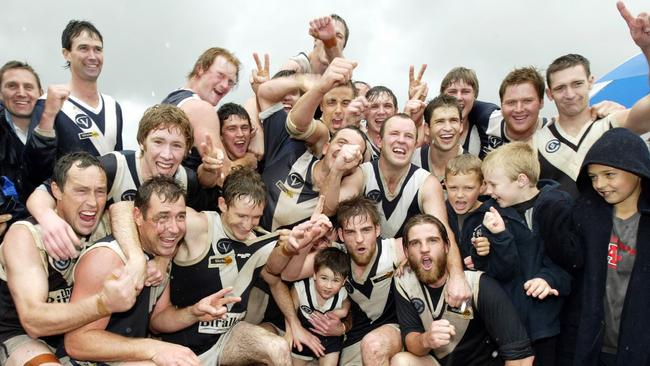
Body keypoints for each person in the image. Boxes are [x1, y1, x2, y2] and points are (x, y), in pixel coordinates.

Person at [133, 167, 331, 365]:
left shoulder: (259, 241)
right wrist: (145, 258)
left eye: (255, 217)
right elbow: (125, 209)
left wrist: (297, 245)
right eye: (241, 216)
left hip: (227, 339)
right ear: (223, 204)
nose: (247, 225)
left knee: (278, 348)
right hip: (179, 341)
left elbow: (283, 274)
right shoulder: (199, 225)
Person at [63, 176, 226, 365]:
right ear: (138, 217)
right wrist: (154, 349)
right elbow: (77, 342)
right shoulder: (107, 258)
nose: (173, 229)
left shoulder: (161, 254)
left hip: (125, 356)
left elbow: (157, 321)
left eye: (180, 217)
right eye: (162, 217)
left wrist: (193, 312)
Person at [0, 152, 141, 365]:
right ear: (56, 190)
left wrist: (145, 260)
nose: (92, 202)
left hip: (79, 333)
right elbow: (33, 320)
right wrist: (103, 304)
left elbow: (132, 213)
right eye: (81, 191)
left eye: (100, 192)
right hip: (23, 336)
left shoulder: (103, 224)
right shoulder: (24, 236)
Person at [543, 128, 650, 365]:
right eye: (593, 177)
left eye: (609, 174)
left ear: (638, 171)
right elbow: (568, 266)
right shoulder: (585, 215)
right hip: (588, 347)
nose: (600, 184)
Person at [461, 142, 572, 365]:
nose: (488, 191)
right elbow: (499, 270)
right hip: (505, 326)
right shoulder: (490, 215)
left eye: (493, 184)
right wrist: (492, 242)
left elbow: (570, 264)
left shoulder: (557, 208)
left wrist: (547, 279)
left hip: (546, 325)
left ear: (521, 180)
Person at [334, 196, 470, 365]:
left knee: (374, 346)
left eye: (366, 230)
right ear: (340, 234)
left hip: (397, 328)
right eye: (350, 232)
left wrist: (456, 274)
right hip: (356, 333)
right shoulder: (333, 256)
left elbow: (438, 246)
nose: (359, 239)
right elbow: (291, 274)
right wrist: (294, 242)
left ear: (377, 230)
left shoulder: (395, 249)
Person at [536, 2, 650, 197]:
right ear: (549, 94)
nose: (570, 94)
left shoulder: (613, 122)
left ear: (591, 82)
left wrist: (647, 49)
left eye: (577, 84)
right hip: (561, 227)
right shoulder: (537, 140)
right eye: (560, 88)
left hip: (615, 227)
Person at [392, 214, 535, 366]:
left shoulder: (478, 284)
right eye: (415, 243)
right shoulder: (404, 283)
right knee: (401, 361)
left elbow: (521, 357)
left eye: (432, 241)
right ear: (406, 252)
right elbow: (411, 338)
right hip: (440, 362)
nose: (424, 249)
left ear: (447, 246)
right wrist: (426, 339)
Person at [260, 58, 365, 230]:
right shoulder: (319, 133)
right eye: (331, 102)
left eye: (346, 103)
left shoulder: (359, 165)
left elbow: (329, 209)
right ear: (321, 105)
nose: (338, 110)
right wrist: (311, 83)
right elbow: (296, 125)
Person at [24, 20, 123, 187]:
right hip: (64, 207)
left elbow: (120, 165)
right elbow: (34, 172)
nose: (92, 56)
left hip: (105, 205)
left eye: (97, 49)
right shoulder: (48, 103)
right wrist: (48, 117)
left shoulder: (113, 106)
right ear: (66, 53)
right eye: (83, 48)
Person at [161, 47, 254, 181]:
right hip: (183, 198)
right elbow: (223, 176)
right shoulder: (201, 109)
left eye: (230, 82)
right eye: (220, 75)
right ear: (200, 69)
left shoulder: (174, 99)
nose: (224, 86)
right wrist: (248, 160)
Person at [0, 61, 42, 234]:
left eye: (28, 87)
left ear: (41, 93)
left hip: (51, 231)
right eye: (12, 86)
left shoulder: (59, 131)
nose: (21, 93)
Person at [290, 247, 351, 366]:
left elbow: (347, 301)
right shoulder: (301, 288)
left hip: (330, 339)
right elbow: (289, 312)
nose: (328, 286)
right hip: (304, 333)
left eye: (336, 280)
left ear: (344, 282)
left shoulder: (343, 293)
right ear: (314, 274)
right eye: (324, 278)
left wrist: (344, 311)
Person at [440, 67, 500, 158]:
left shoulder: (486, 129)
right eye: (452, 92)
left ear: (474, 96)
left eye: (465, 92)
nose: (458, 98)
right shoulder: (429, 128)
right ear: (442, 96)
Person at [414, 94, 465, 183]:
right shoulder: (411, 160)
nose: (447, 128)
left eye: (453, 120)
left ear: (461, 126)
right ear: (427, 129)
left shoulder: (475, 168)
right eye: (440, 121)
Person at [444, 154, 485, 261]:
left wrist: (485, 258)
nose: (460, 195)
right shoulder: (439, 212)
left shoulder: (491, 216)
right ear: (445, 184)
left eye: (468, 188)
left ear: (482, 186)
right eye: (453, 188)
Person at [282, 15, 349, 75]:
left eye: (338, 36)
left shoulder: (346, 79)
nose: (331, 38)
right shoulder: (295, 66)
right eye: (326, 31)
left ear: (344, 46)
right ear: (315, 39)